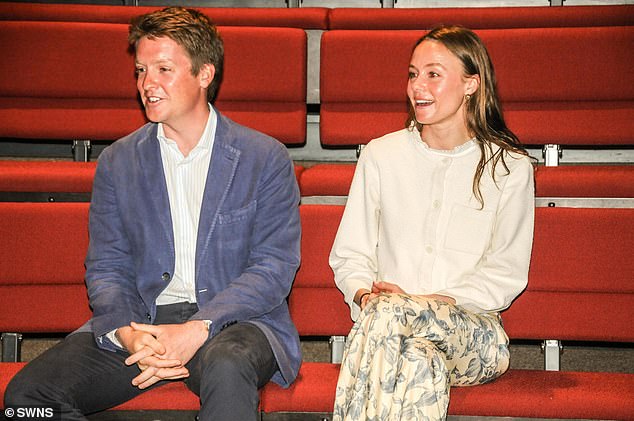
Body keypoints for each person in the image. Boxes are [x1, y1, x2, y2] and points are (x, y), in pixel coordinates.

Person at [4, 6, 301, 420]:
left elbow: (273, 268)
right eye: (141, 71)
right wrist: (127, 333)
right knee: (26, 399)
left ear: (204, 74)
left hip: (232, 323)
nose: (147, 84)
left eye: (163, 69)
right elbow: (106, 266)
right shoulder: (119, 161)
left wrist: (199, 327)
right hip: (143, 321)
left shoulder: (263, 157)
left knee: (228, 367)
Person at [329, 25, 534, 420]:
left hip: (475, 336)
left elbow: (505, 273)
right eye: (412, 74)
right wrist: (364, 295)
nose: (417, 86)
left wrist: (419, 303)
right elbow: (350, 256)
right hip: (392, 334)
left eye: (433, 74)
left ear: (471, 84)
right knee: (419, 362)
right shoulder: (380, 156)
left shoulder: (510, 168)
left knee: (390, 312)